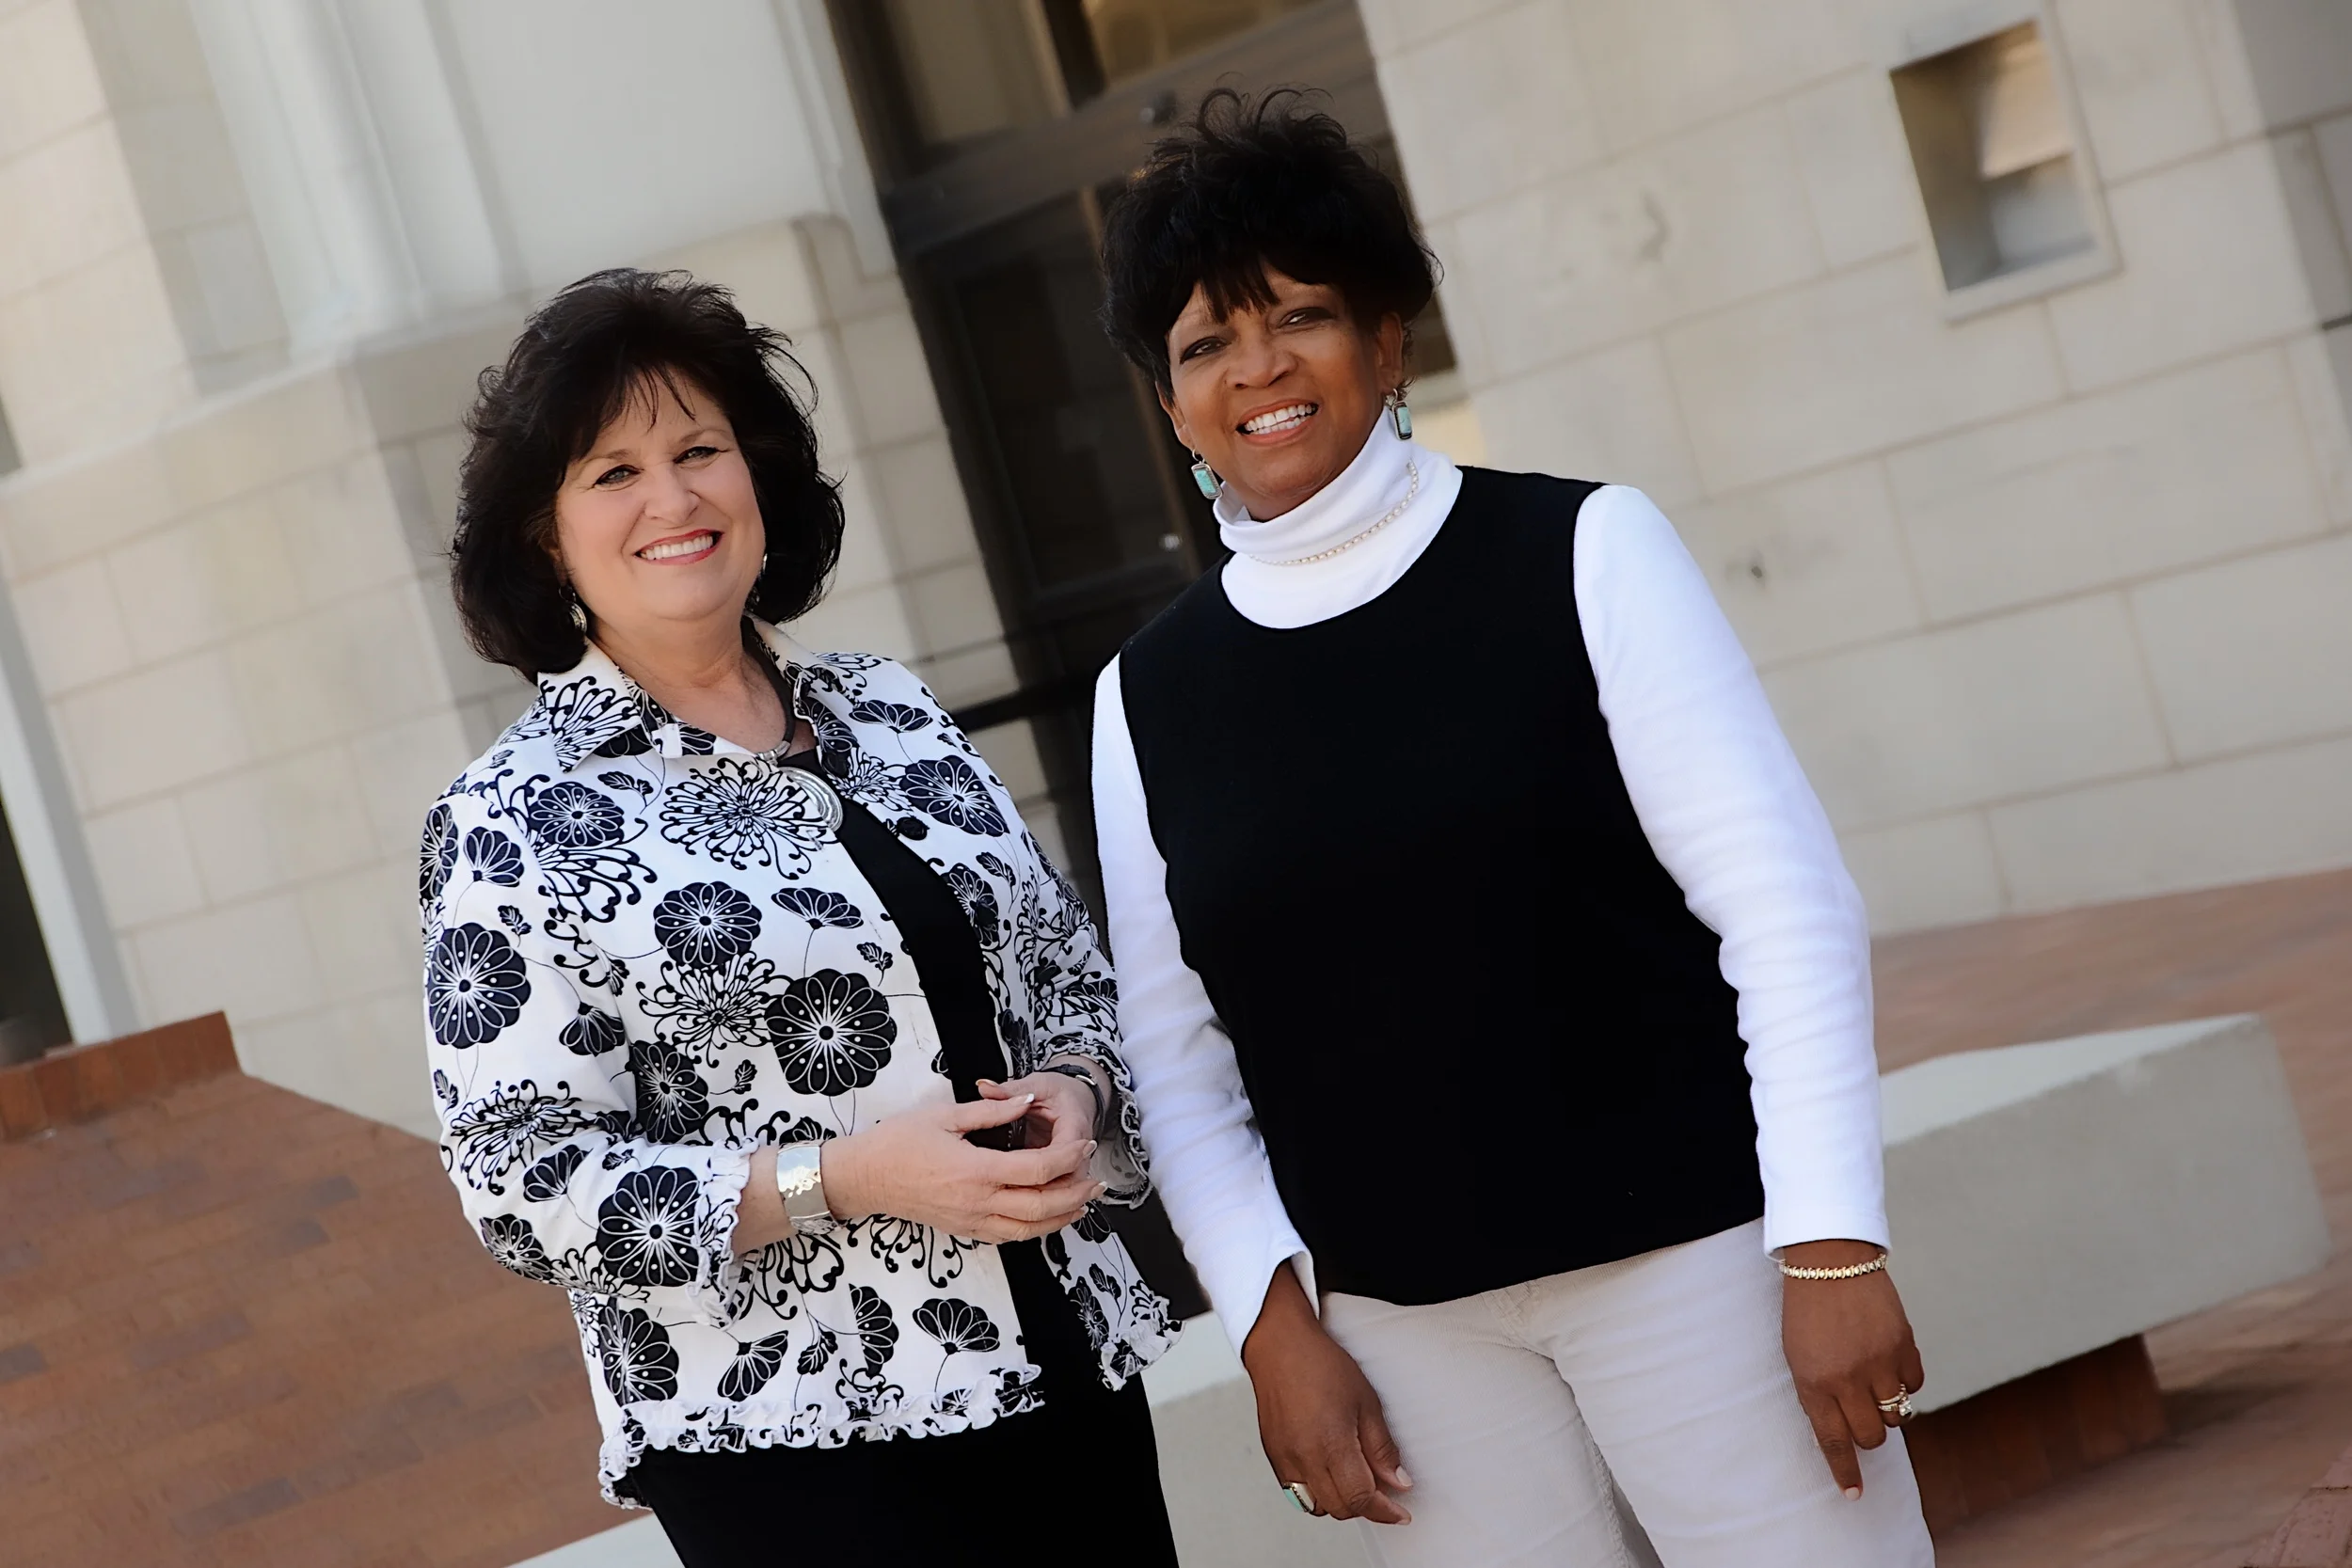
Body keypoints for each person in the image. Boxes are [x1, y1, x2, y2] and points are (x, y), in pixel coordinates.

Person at [1089, 90, 1936, 1566]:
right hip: (1409, 1343)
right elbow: (1176, 1062)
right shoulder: (1143, 696)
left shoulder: (1582, 549)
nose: (1259, 367)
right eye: (1205, 343)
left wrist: (1831, 1239)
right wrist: (1273, 1325)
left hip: (1697, 1268)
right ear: (1170, 404)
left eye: (1298, 313)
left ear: (1390, 341)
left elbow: (1781, 905)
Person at [422, 269, 1178, 1568]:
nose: (673, 498)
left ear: (757, 474)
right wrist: (849, 1178)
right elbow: (519, 1179)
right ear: (547, 540)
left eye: (700, 449)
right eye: (612, 472)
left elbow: (1073, 973)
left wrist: (1079, 1089)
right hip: (799, 1446)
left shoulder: (890, 708)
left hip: (1067, 1365)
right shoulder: (511, 817)